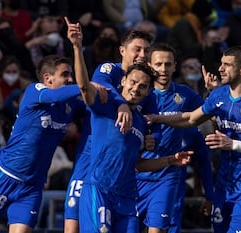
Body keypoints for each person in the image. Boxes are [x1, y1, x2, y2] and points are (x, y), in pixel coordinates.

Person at [66, 19, 193, 233]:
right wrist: (77, 47)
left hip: (127, 196)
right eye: (133, 83)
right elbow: (84, 87)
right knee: (72, 225)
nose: (137, 89)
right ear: (123, 80)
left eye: (143, 87)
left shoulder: (142, 121)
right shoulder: (105, 102)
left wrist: (169, 158)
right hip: (98, 183)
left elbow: (138, 162)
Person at [146, 46, 241, 233]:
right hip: (225, 181)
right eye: (221, 64)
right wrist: (156, 118)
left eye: (227, 65)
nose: (220, 68)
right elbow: (190, 118)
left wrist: (232, 144)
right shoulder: (219, 95)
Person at [0, 53, 93, 233]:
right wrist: (87, 86)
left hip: (32, 185)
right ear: (48, 78)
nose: (70, 79)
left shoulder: (69, 106)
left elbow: (95, 104)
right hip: (7, 175)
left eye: (71, 75)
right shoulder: (34, 91)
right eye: (65, 74)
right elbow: (64, 94)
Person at [63, 27, 154, 233]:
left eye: (146, 51)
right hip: (91, 154)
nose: (142, 55)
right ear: (122, 50)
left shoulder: (145, 94)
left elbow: (147, 121)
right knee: (73, 222)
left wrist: (150, 138)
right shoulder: (109, 72)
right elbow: (90, 85)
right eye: (137, 49)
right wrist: (121, 103)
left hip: (123, 175)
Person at [135, 43, 213, 233]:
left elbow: (208, 112)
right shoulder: (139, 93)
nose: (163, 69)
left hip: (169, 178)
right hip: (137, 176)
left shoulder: (185, 95)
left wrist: (213, 92)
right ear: (149, 65)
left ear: (175, 66)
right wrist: (146, 139)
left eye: (168, 64)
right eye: (158, 64)